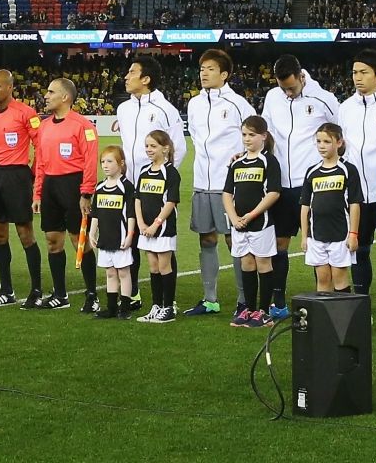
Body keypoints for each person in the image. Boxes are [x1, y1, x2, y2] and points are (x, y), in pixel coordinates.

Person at [187, 48, 255, 317]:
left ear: (224, 74)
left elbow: (258, 133)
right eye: (202, 68)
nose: (204, 73)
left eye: (211, 69)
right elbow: (194, 136)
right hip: (201, 182)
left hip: (227, 185)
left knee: (233, 240)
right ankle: (210, 299)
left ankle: (242, 300)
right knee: (206, 239)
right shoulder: (194, 104)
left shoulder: (237, 104)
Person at [118, 57, 186, 311]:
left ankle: (169, 301)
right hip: (130, 188)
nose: (126, 76)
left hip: (156, 190)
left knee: (163, 242)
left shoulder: (164, 108)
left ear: (145, 79)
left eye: (132, 72)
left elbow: (178, 148)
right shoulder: (123, 109)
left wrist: (162, 179)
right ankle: (133, 293)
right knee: (131, 238)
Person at [338, 50, 376, 307]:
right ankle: (362, 307)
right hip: (355, 197)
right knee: (358, 251)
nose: (357, 78)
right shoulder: (345, 108)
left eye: (364, 72)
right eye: (354, 72)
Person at [31, 77, 97, 310]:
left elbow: (90, 162)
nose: (46, 96)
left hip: (73, 186)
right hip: (50, 186)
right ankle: (60, 295)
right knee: (52, 240)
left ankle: (92, 295)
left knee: (78, 240)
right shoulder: (44, 126)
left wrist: (86, 192)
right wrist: (37, 193)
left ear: (65, 97)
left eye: (51, 92)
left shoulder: (83, 126)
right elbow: (40, 162)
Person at [0, 69, 41, 306]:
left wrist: (34, 172)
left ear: (9, 88)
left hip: (18, 176)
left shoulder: (26, 113)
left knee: (25, 233)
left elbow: (40, 144)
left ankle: (36, 289)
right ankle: (7, 289)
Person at [224, 114, 282, 328]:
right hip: (239, 224)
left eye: (252, 135)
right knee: (246, 263)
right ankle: (248, 309)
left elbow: (274, 192)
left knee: (262, 263)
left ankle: (264, 311)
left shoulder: (268, 161)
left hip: (261, 223)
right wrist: (233, 217)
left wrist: (252, 214)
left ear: (263, 136)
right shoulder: (237, 163)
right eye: (244, 135)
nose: (247, 139)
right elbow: (227, 193)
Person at [300, 123, 363, 295]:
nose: (321, 145)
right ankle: (325, 320)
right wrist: (305, 236)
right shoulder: (312, 171)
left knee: (339, 276)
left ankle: (344, 319)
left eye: (327, 141)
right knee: (322, 277)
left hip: (340, 233)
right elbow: (305, 206)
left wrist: (353, 234)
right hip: (316, 234)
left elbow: (355, 204)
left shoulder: (347, 170)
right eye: (319, 141)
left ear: (339, 142)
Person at [132, 129, 182, 323]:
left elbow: (171, 202)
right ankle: (156, 305)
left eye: (153, 146)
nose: (149, 150)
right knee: (153, 266)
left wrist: (156, 223)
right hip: (146, 229)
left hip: (163, 228)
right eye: (147, 146)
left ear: (165, 148)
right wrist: (142, 223)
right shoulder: (144, 171)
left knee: (164, 265)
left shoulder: (170, 172)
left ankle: (168, 307)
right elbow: (137, 199)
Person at [90, 145, 138, 320]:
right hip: (106, 238)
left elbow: (131, 214)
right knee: (110, 272)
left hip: (120, 239)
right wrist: (91, 233)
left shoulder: (126, 186)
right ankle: (111, 308)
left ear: (121, 163)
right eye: (103, 161)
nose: (105, 165)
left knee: (124, 272)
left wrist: (130, 235)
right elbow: (95, 213)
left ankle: (125, 308)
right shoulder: (100, 187)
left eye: (110, 161)